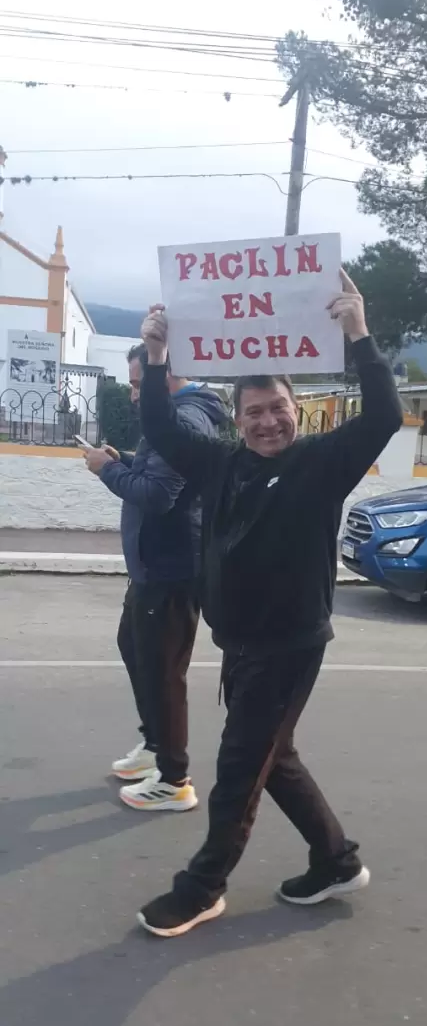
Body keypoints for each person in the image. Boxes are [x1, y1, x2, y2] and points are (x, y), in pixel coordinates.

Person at [136, 271, 403, 937]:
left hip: (288, 645)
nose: (267, 420)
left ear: (296, 408)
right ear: (239, 416)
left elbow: (385, 417)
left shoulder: (322, 461)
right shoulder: (222, 462)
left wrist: (359, 336)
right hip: (244, 646)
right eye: (253, 410)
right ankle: (336, 860)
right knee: (273, 760)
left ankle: (202, 887)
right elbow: (165, 432)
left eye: (277, 406)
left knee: (237, 770)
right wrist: (160, 356)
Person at [84, 343, 228, 811]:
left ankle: (174, 778)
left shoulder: (184, 419)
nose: (131, 394)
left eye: (135, 383)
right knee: (135, 650)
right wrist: (123, 458)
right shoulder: (174, 415)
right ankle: (154, 746)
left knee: (163, 673)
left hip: (170, 568)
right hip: (154, 567)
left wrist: (107, 471)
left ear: (165, 374)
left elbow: (160, 495)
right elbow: (158, 473)